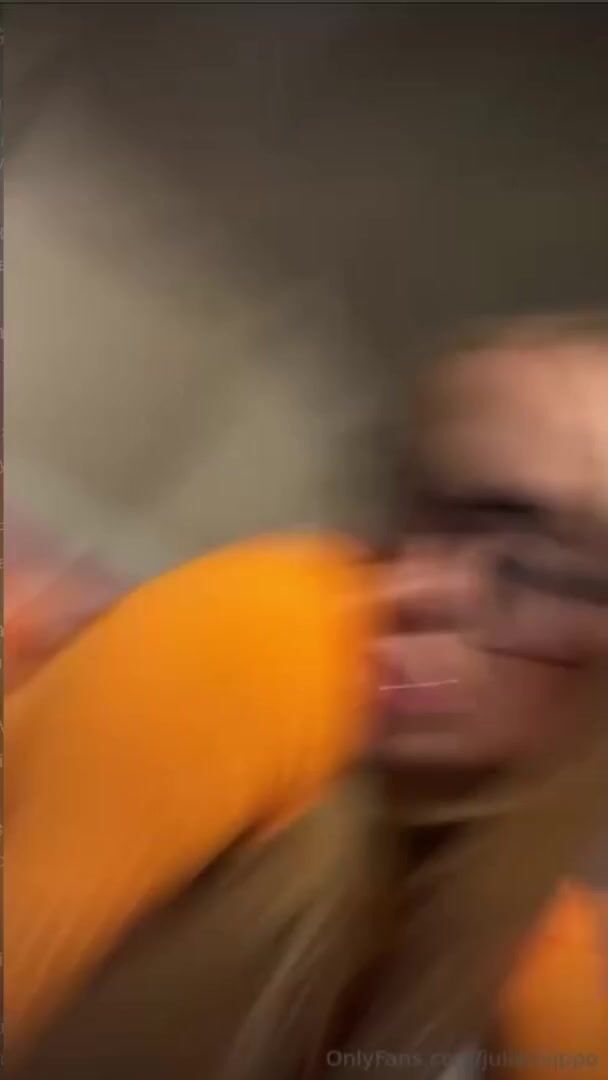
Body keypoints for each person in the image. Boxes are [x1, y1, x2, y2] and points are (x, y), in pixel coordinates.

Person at [5, 312, 608, 1079]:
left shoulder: (523, 922)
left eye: (542, 562)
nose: (416, 587)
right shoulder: (268, 634)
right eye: (436, 513)